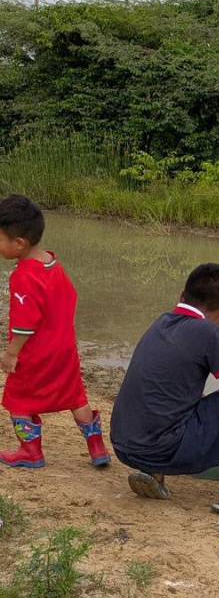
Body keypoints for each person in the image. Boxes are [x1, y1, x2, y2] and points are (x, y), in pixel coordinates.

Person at [110, 262, 219, 516]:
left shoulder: (162, 321)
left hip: (124, 444)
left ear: (182, 296)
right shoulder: (209, 332)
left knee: (178, 393)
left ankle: (154, 474)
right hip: (161, 448)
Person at [0, 194, 111, 469]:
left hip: (37, 354)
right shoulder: (53, 265)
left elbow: (25, 324)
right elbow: (70, 299)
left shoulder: (24, 276)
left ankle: (30, 452)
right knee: (76, 396)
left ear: (19, 243)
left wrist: (11, 353)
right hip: (64, 350)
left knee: (18, 399)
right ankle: (97, 448)